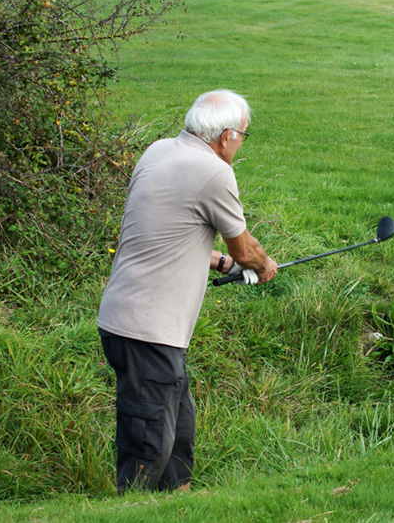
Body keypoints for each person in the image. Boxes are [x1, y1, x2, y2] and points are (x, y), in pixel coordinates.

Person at [97, 89, 278, 493]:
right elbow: (245, 249)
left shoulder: (159, 151)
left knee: (178, 436)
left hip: (130, 322)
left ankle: (180, 503)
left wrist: (219, 262)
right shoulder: (214, 172)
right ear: (227, 136)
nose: (241, 144)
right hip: (147, 330)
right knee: (148, 447)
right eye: (243, 135)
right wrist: (263, 265)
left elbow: (162, 234)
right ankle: (131, 507)